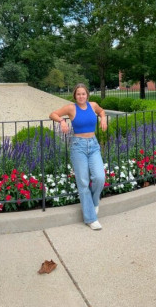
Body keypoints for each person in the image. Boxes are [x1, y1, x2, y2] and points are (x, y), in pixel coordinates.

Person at [49, 83, 107, 230]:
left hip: (93, 145)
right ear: (75, 95)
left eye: (83, 94)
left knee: (100, 177)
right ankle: (90, 219)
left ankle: (94, 203)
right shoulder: (71, 108)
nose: (81, 96)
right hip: (78, 146)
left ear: (87, 94)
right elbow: (53, 114)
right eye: (78, 94)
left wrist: (103, 118)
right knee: (83, 182)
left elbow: (102, 111)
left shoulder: (93, 105)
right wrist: (62, 121)